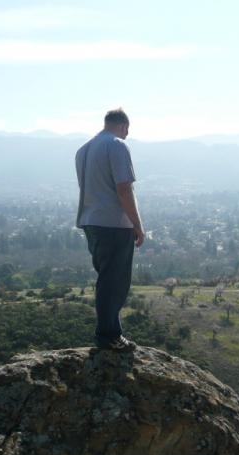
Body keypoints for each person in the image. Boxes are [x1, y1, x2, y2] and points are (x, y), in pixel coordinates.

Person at [76, 108, 145, 351]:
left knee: (106, 278)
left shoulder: (83, 150)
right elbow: (124, 189)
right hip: (114, 223)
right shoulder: (117, 146)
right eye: (127, 131)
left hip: (90, 220)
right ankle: (108, 336)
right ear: (124, 126)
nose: (127, 135)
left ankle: (110, 332)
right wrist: (137, 224)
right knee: (115, 281)